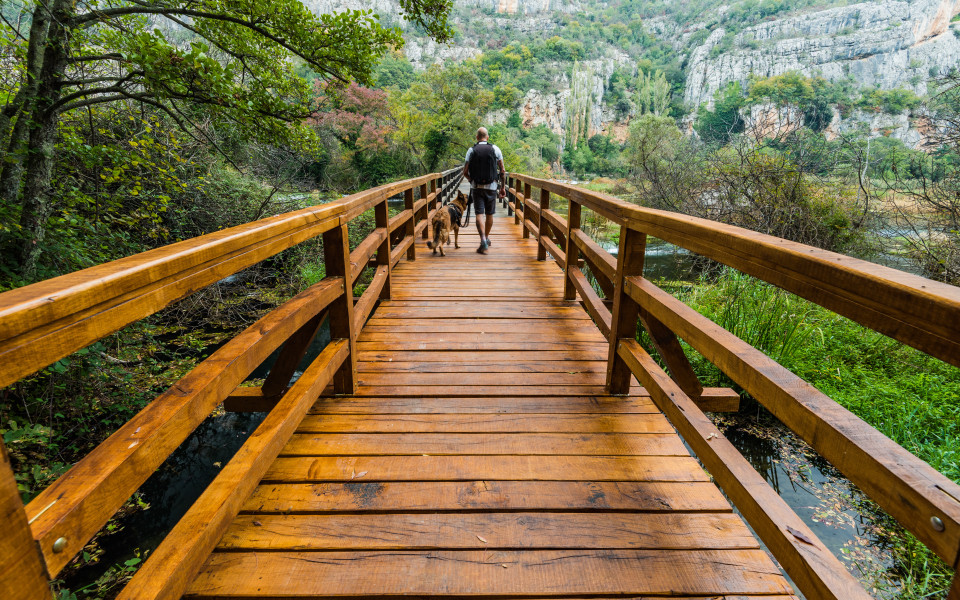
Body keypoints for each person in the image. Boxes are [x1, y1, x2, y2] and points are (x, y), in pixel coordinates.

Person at [463, 127, 506, 254]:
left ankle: (482, 240)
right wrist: (502, 188)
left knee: (479, 214)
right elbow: (502, 171)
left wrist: (472, 181)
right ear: (487, 137)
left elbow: (465, 172)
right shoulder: (495, 149)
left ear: (477, 137)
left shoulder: (471, 150)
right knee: (489, 214)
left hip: (476, 188)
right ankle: (486, 238)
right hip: (492, 187)